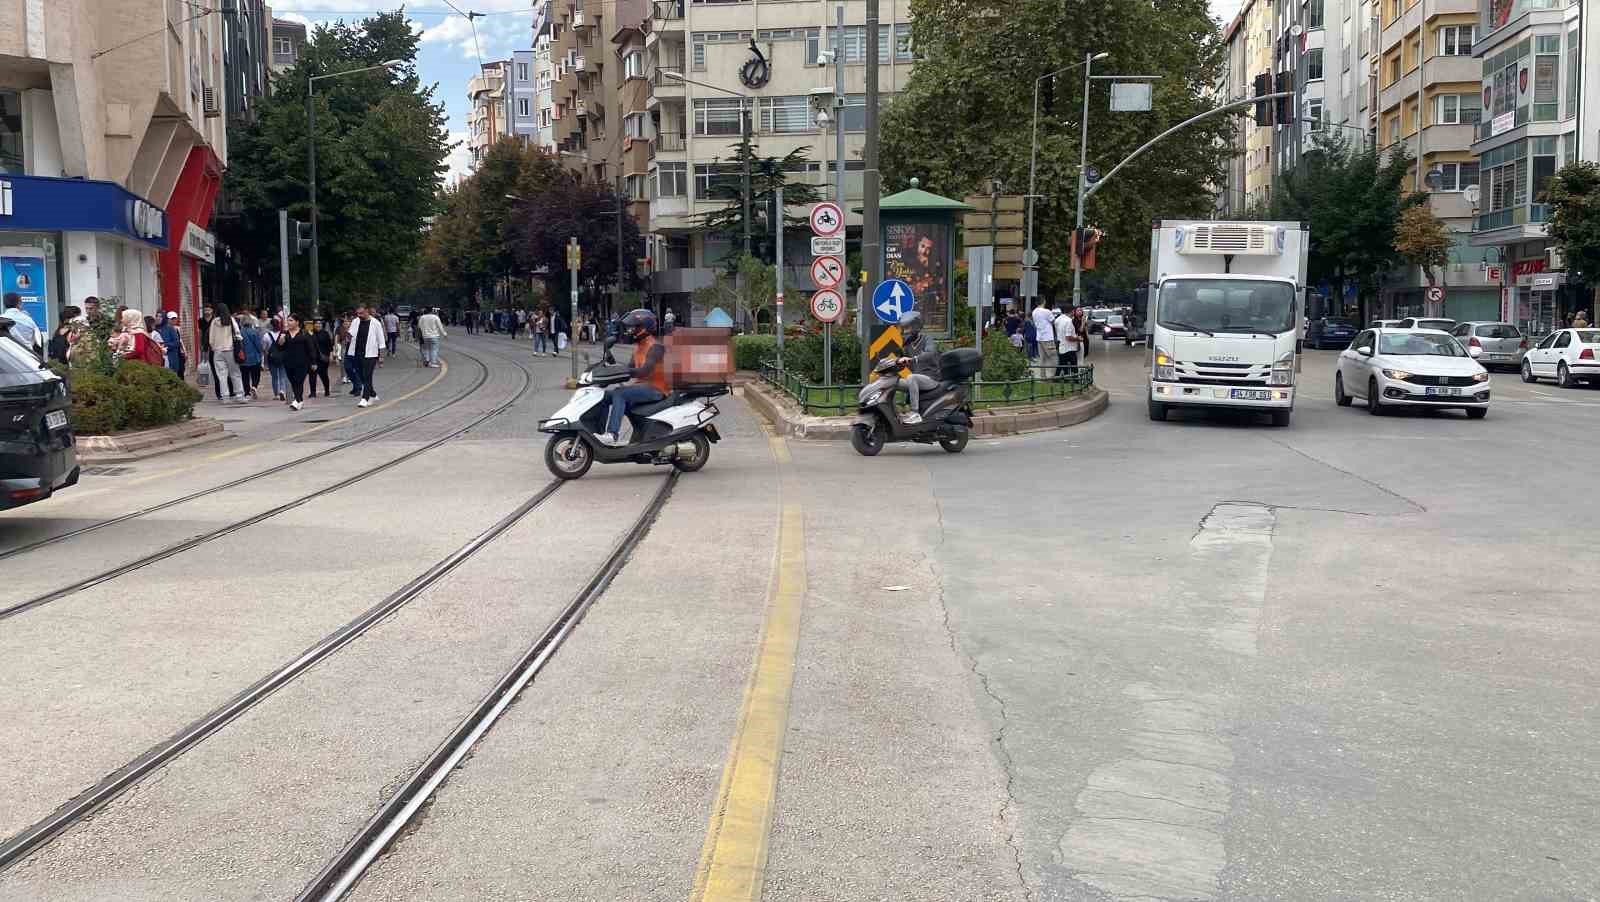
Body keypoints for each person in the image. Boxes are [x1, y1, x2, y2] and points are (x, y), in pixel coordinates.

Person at [598, 309, 668, 446]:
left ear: (644, 328)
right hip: (641, 386)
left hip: (656, 389)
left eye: (633, 327)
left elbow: (644, 371)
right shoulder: (638, 347)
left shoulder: (656, 347)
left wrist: (625, 372)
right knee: (604, 396)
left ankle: (612, 434)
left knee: (620, 393)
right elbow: (629, 368)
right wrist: (607, 373)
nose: (630, 331)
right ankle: (599, 433)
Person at [894, 311, 941, 425]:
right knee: (892, 382)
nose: (905, 332)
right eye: (903, 328)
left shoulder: (927, 339)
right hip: (916, 380)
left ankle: (915, 413)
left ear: (916, 327)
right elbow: (899, 358)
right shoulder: (907, 344)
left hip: (931, 379)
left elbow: (930, 353)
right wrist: (895, 362)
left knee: (911, 377)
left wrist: (914, 358)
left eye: (907, 328)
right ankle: (894, 413)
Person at [275, 315, 318, 410]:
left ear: (297, 322)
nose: (288, 323)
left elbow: (311, 349)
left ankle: (296, 401)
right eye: (288, 321)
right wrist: (281, 341)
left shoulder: (304, 333)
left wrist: (313, 362)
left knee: (299, 381)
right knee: (293, 382)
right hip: (288, 362)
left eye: (291, 320)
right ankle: (300, 401)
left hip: (302, 363)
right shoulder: (284, 333)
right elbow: (279, 348)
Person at [207, 303, 247, 403]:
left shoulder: (214, 322)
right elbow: (238, 334)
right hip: (230, 350)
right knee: (235, 373)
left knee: (221, 375)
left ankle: (225, 397)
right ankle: (239, 395)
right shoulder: (231, 320)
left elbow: (211, 339)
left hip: (217, 352)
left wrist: (214, 347)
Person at [348, 304, 385, 406]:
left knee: (367, 375)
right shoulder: (356, 321)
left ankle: (365, 398)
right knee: (361, 375)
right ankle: (372, 394)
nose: (359, 315)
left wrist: (381, 356)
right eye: (358, 313)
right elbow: (350, 335)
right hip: (357, 352)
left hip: (370, 354)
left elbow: (381, 340)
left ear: (367, 311)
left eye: (361, 313)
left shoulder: (375, 323)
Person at [1, 292, 41, 357]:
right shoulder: (29, 320)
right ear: (19, 304)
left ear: (4, 304)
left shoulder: (1, 319)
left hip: (7, 357)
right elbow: (38, 341)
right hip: (27, 356)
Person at [1030, 298, 1056, 377]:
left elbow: (1035, 324)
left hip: (1039, 337)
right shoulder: (1047, 311)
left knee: (1042, 358)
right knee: (1053, 357)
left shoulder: (1034, 312)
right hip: (1048, 337)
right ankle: (1053, 376)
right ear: (1044, 301)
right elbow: (1053, 321)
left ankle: (1043, 376)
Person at [238, 313, 263, 399]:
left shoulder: (240, 332)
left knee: (245, 376)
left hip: (243, 359)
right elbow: (258, 345)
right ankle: (254, 386)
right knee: (256, 374)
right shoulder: (254, 332)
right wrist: (261, 353)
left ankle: (247, 392)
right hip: (255, 358)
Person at [262, 316, 287, 399]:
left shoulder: (266, 335)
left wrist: (265, 361)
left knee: (274, 377)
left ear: (271, 326)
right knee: (282, 375)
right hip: (282, 357)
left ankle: (276, 394)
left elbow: (264, 349)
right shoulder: (283, 334)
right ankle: (282, 390)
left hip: (272, 358)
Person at [309, 320, 333, 398]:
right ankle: (313, 392)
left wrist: (331, 355)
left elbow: (329, 345)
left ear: (322, 325)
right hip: (313, 358)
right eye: (316, 323)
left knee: (324, 375)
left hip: (323, 358)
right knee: (312, 375)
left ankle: (327, 390)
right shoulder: (310, 333)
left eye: (319, 323)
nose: (318, 325)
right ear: (313, 325)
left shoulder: (325, 333)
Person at [157, 311, 185, 377]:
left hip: (171, 357)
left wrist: (165, 345)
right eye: (157, 316)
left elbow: (176, 342)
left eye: (160, 316)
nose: (158, 318)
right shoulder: (155, 329)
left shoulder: (170, 328)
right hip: (159, 357)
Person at [1054, 304, 1079, 373]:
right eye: (1074, 311)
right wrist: (1078, 338)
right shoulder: (1068, 321)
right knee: (1074, 368)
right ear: (1072, 311)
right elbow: (1068, 337)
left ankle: (1061, 379)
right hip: (1070, 348)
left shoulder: (1057, 320)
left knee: (1062, 366)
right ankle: (1075, 381)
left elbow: (1057, 333)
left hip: (1061, 346)